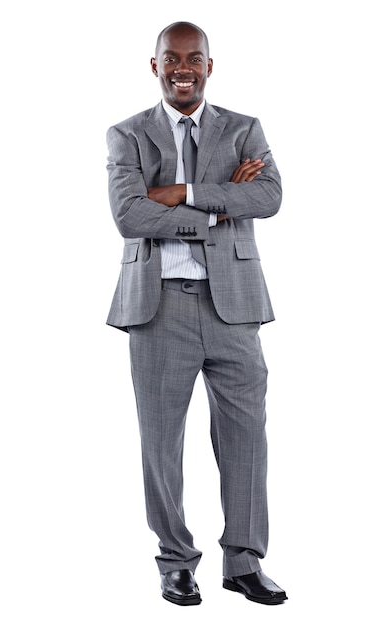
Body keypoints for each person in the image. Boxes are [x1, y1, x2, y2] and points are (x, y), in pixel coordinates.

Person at [105, 21, 287, 607]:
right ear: (154, 67)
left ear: (210, 66)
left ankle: (244, 561)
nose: (183, 67)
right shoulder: (127, 135)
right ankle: (176, 561)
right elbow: (131, 216)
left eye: (194, 58)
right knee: (161, 442)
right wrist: (215, 204)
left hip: (234, 306)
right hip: (158, 307)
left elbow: (268, 198)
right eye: (171, 58)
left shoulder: (244, 129)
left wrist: (180, 191)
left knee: (246, 437)